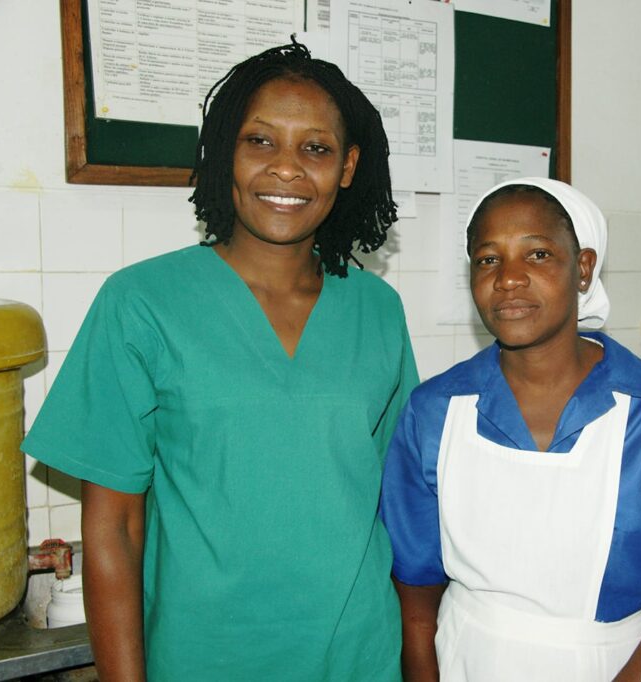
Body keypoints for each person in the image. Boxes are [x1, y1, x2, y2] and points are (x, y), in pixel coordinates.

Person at [22, 41, 418, 680]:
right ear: (223, 154)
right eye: (260, 141)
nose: (286, 169)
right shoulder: (143, 303)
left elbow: (397, 502)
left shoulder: (377, 310)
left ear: (347, 167)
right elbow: (113, 529)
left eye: (315, 148)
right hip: (206, 656)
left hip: (359, 655)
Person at [381, 178, 641, 681]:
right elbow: (415, 589)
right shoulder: (436, 410)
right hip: (467, 659)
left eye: (538, 254)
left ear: (584, 268)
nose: (508, 278)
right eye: (488, 259)